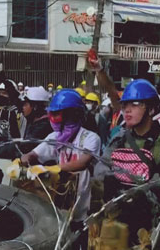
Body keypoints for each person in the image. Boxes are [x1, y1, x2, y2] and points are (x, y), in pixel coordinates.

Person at [19, 89, 101, 220]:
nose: (53, 119)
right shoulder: (55, 137)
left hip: (86, 208)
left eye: (57, 114)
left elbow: (82, 162)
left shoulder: (90, 138)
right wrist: (22, 161)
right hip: (63, 204)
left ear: (72, 115)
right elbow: (35, 153)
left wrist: (52, 168)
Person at [96, 79, 160, 199]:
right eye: (125, 105)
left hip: (154, 211)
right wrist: (112, 178)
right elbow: (101, 165)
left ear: (151, 109)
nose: (127, 110)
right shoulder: (120, 138)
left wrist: (144, 187)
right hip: (119, 207)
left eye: (135, 104)